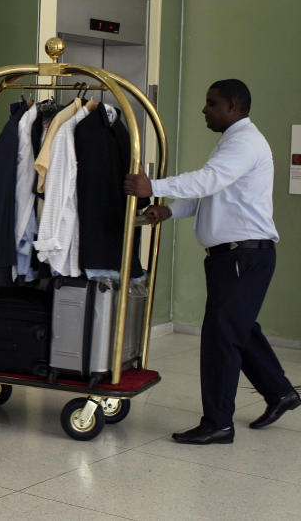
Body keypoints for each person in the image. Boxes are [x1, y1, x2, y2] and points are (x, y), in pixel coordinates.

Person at [125, 79, 298, 445]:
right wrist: (170, 211)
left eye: (211, 103)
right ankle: (280, 392)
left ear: (233, 106)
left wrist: (152, 186)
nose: (205, 110)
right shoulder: (233, 142)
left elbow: (208, 181)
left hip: (242, 256)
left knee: (222, 338)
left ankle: (218, 422)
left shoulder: (245, 142)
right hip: (237, 257)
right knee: (239, 329)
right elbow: (212, 194)